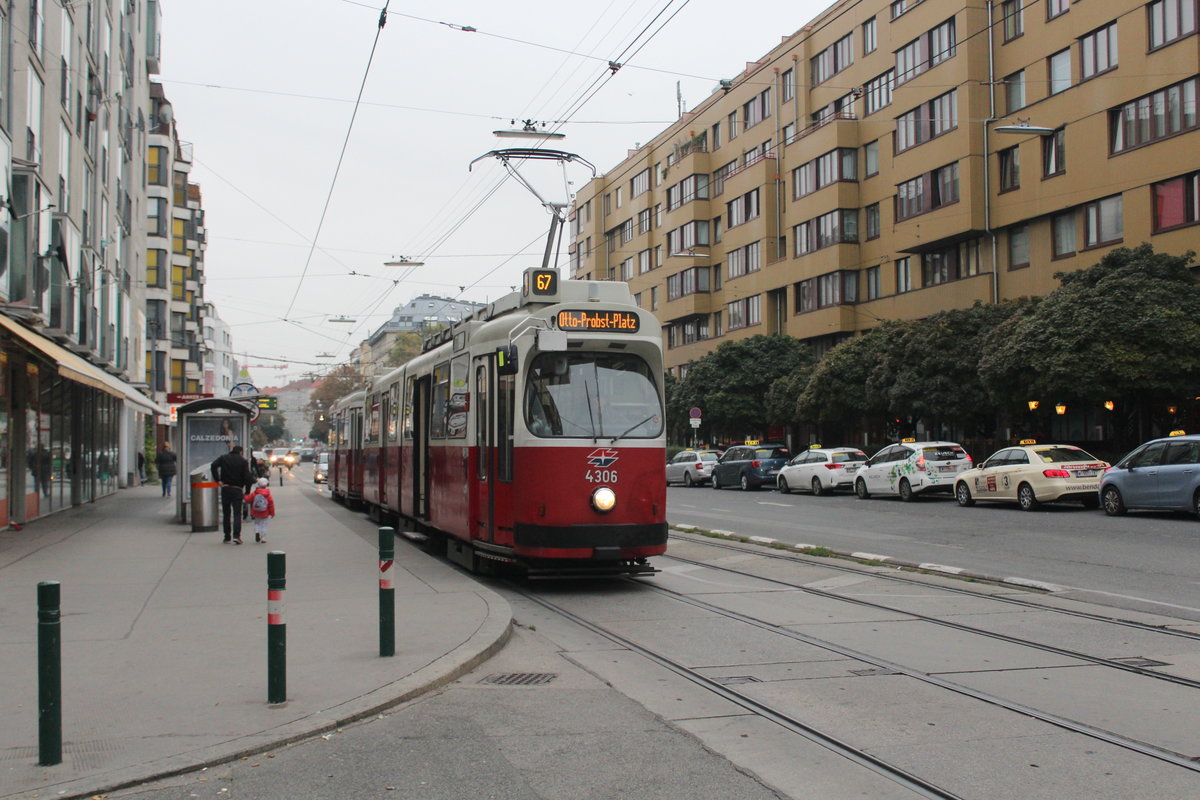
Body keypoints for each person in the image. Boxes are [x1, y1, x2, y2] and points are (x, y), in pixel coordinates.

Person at [211, 445, 254, 544]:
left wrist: (218, 480)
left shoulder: (224, 458)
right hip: (237, 489)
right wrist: (247, 492)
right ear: (241, 452)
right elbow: (248, 478)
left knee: (226, 514)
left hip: (225, 488)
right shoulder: (243, 461)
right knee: (237, 514)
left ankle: (227, 536)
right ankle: (236, 536)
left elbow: (213, 465)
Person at [244, 477, 276, 544]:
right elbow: (271, 504)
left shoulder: (254, 493)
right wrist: (272, 513)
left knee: (257, 523)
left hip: (256, 512)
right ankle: (263, 537)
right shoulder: (268, 495)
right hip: (265, 512)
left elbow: (248, 500)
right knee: (264, 524)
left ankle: (257, 531)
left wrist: (245, 496)